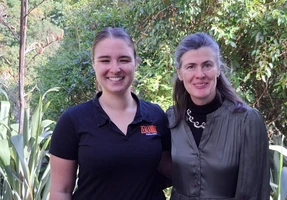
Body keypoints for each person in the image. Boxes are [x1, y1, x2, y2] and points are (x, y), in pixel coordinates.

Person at [49, 27, 171, 200]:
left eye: (124, 60)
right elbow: (60, 191)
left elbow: (172, 169)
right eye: (105, 60)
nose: (115, 69)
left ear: (135, 62)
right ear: (94, 64)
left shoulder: (156, 115)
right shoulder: (73, 120)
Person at [166, 32, 270, 200]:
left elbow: (254, 193)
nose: (200, 74)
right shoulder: (171, 118)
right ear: (180, 73)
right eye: (191, 66)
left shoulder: (246, 121)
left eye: (207, 65)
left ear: (218, 69)